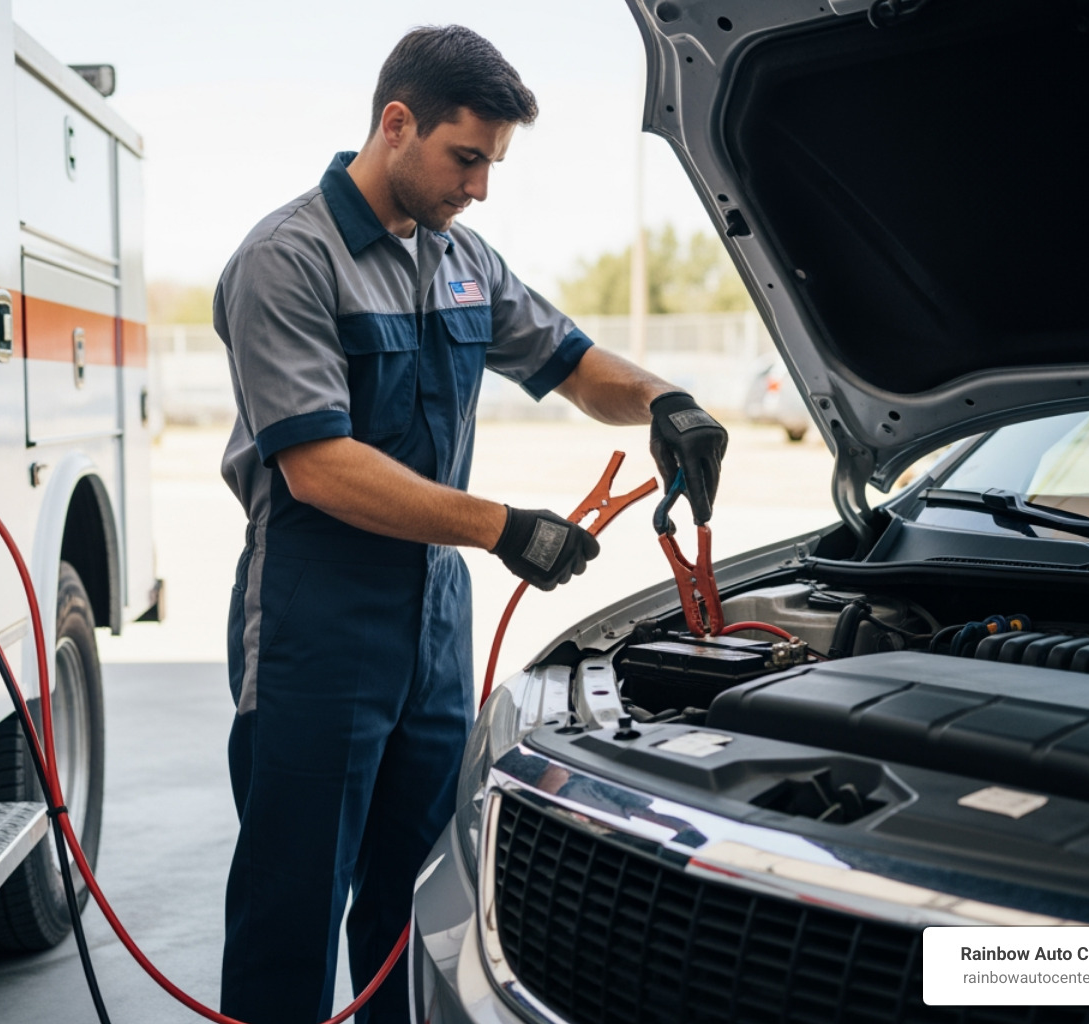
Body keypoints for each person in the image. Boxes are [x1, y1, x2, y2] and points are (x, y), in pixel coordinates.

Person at [214, 25, 727, 1024]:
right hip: (316, 616)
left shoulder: (462, 260)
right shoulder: (287, 261)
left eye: (493, 164)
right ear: (395, 123)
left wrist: (669, 399)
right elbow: (317, 467)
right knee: (295, 906)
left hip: (434, 619)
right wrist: (503, 526)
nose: (480, 186)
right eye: (467, 158)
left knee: (418, 904)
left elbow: (573, 363)